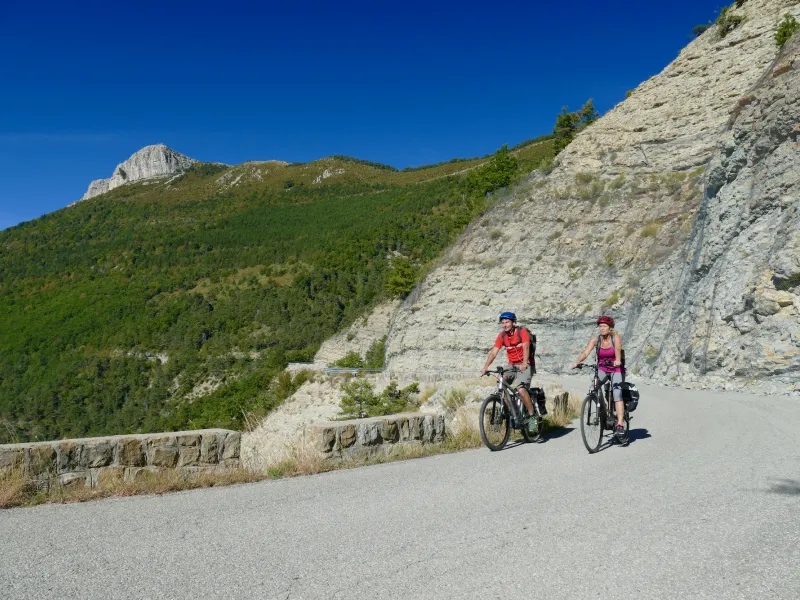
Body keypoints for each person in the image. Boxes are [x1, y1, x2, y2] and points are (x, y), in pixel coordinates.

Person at [481, 311, 538, 430]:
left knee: (521, 390)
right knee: (501, 385)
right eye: (502, 323)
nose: (505, 325)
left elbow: (526, 347)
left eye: (507, 322)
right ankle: (515, 414)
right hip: (511, 365)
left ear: (513, 322)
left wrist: (524, 363)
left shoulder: (521, 332)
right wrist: (486, 366)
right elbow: (494, 352)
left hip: (525, 364)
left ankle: (532, 417)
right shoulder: (502, 336)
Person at [572, 315, 625, 439]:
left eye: (604, 326)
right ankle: (602, 410)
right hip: (602, 368)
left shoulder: (615, 338)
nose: (602, 328)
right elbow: (586, 352)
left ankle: (620, 424)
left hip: (615, 368)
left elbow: (617, 351)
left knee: (617, 393)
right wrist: (577, 362)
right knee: (593, 388)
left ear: (610, 327)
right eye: (600, 326)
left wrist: (617, 361)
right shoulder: (596, 340)